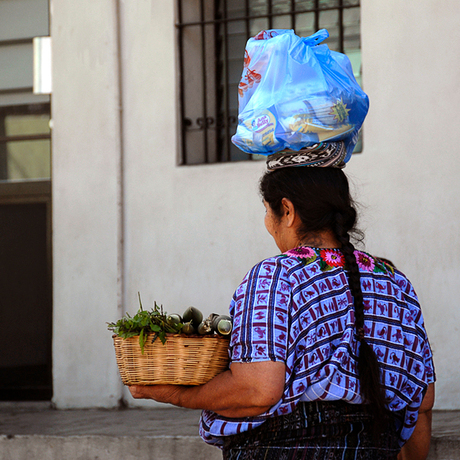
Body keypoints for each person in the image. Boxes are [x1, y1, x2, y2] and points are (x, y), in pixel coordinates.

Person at [129, 143, 435, 460]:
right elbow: (422, 402)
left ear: (286, 211)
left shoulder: (275, 276)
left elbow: (256, 391)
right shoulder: (394, 281)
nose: (267, 222)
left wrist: (174, 394)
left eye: (267, 210)